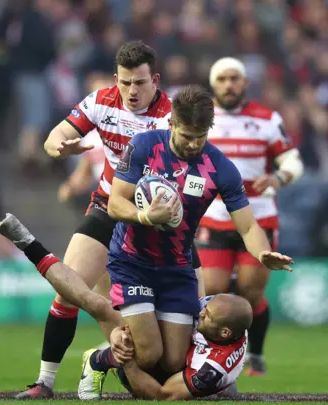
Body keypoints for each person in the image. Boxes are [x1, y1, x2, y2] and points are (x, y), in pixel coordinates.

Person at [77, 85, 293, 399]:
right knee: (148, 353)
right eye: (187, 135)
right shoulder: (143, 146)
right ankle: (98, 360)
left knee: (175, 359)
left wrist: (262, 252)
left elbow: (247, 226)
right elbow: (115, 204)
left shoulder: (220, 167)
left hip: (177, 268)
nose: (193, 144)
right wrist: (147, 217)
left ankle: (128, 365)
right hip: (131, 261)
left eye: (200, 136)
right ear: (172, 124)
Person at [17, 41, 203, 400]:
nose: (132, 91)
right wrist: (59, 147)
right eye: (125, 82)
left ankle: (207, 373)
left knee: (194, 310)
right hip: (107, 207)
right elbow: (56, 136)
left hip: (159, 221)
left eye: (140, 83)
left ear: (156, 80)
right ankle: (45, 382)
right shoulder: (101, 101)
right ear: (116, 79)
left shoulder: (171, 116)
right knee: (68, 291)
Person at [0, 213, 253, 400]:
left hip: (154, 376)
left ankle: (101, 359)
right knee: (100, 305)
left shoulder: (211, 368)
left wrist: (125, 361)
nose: (202, 310)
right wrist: (133, 324)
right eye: (206, 306)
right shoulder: (220, 315)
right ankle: (29, 244)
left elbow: (162, 394)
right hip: (178, 343)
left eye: (206, 315)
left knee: (150, 350)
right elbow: (193, 305)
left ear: (224, 334)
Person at [196, 57, 304, 376]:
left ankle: (255, 354)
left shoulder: (267, 119)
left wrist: (279, 178)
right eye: (222, 79)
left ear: (244, 83)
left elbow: (292, 160)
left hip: (258, 219)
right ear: (213, 84)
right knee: (211, 293)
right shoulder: (201, 119)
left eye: (234, 78)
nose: (229, 84)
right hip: (213, 216)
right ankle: (213, 357)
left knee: (250, 293)